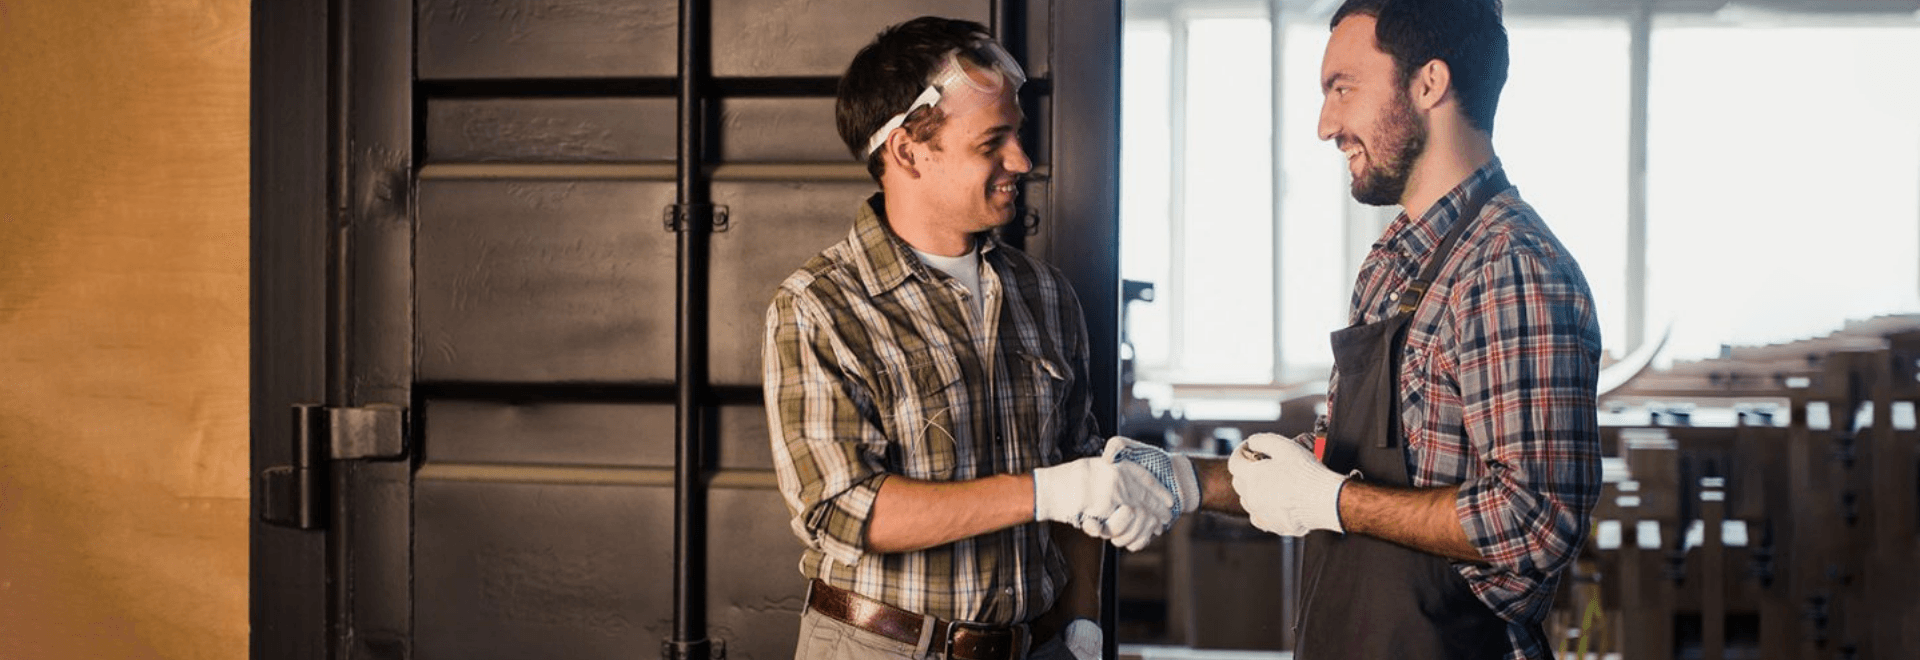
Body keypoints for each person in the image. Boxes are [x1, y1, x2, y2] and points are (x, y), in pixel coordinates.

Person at [1114, 1, 1602, 658]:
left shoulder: (1508, 266)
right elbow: (1339, 460)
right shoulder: (1394, 263)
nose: (1325, 125)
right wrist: (1185, 478)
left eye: (1342, 88)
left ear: (1430, 83)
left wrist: (1335, 504)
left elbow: (1535, 519)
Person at [762, 16, 1174, 660]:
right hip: (882, 647)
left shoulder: (1046, 295)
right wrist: (1047, 490)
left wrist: (1083, 626)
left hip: (1037, 646)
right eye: (993, 142)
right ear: (908, 152)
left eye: (1019, 134)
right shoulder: (820, 306)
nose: (1023, 161)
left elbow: (1081, 460)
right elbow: (844, 510)